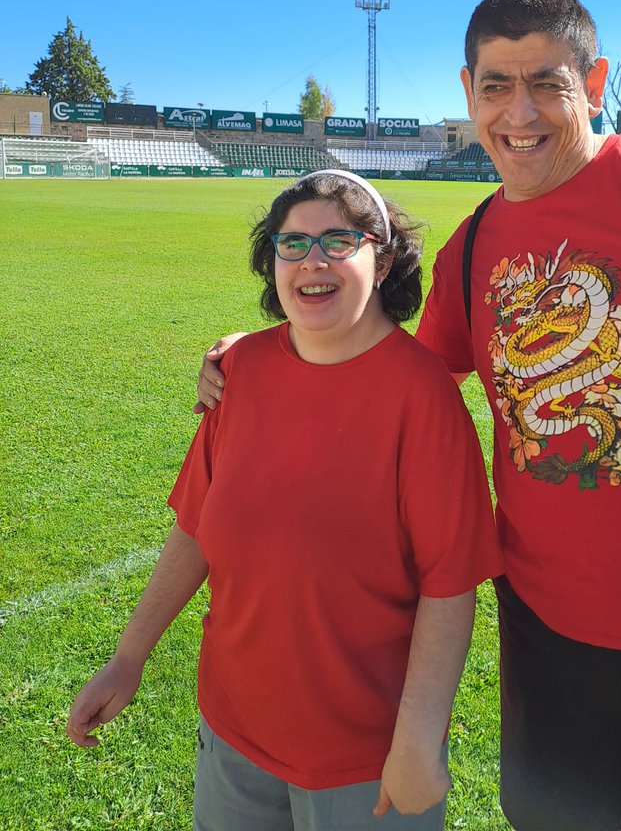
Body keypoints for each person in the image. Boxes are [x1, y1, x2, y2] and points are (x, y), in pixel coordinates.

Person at [196, 0, 621, 831]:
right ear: (468, 92)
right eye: (495, 86)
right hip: (553, 633)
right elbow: (398, 374)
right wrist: (266, 349)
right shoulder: (474, 247)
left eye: (547, 84)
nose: (519, 114)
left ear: (593, 84)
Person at [69, 170, 503, 831]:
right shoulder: (238, 372)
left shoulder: (423, 398)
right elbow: (195, 530)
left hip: (365, 758)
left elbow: (449, 586)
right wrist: (128, 658)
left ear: (383, 261)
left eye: (338, 241)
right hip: (233, 732)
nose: (312, 261)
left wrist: (418, 737)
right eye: (292, 243)